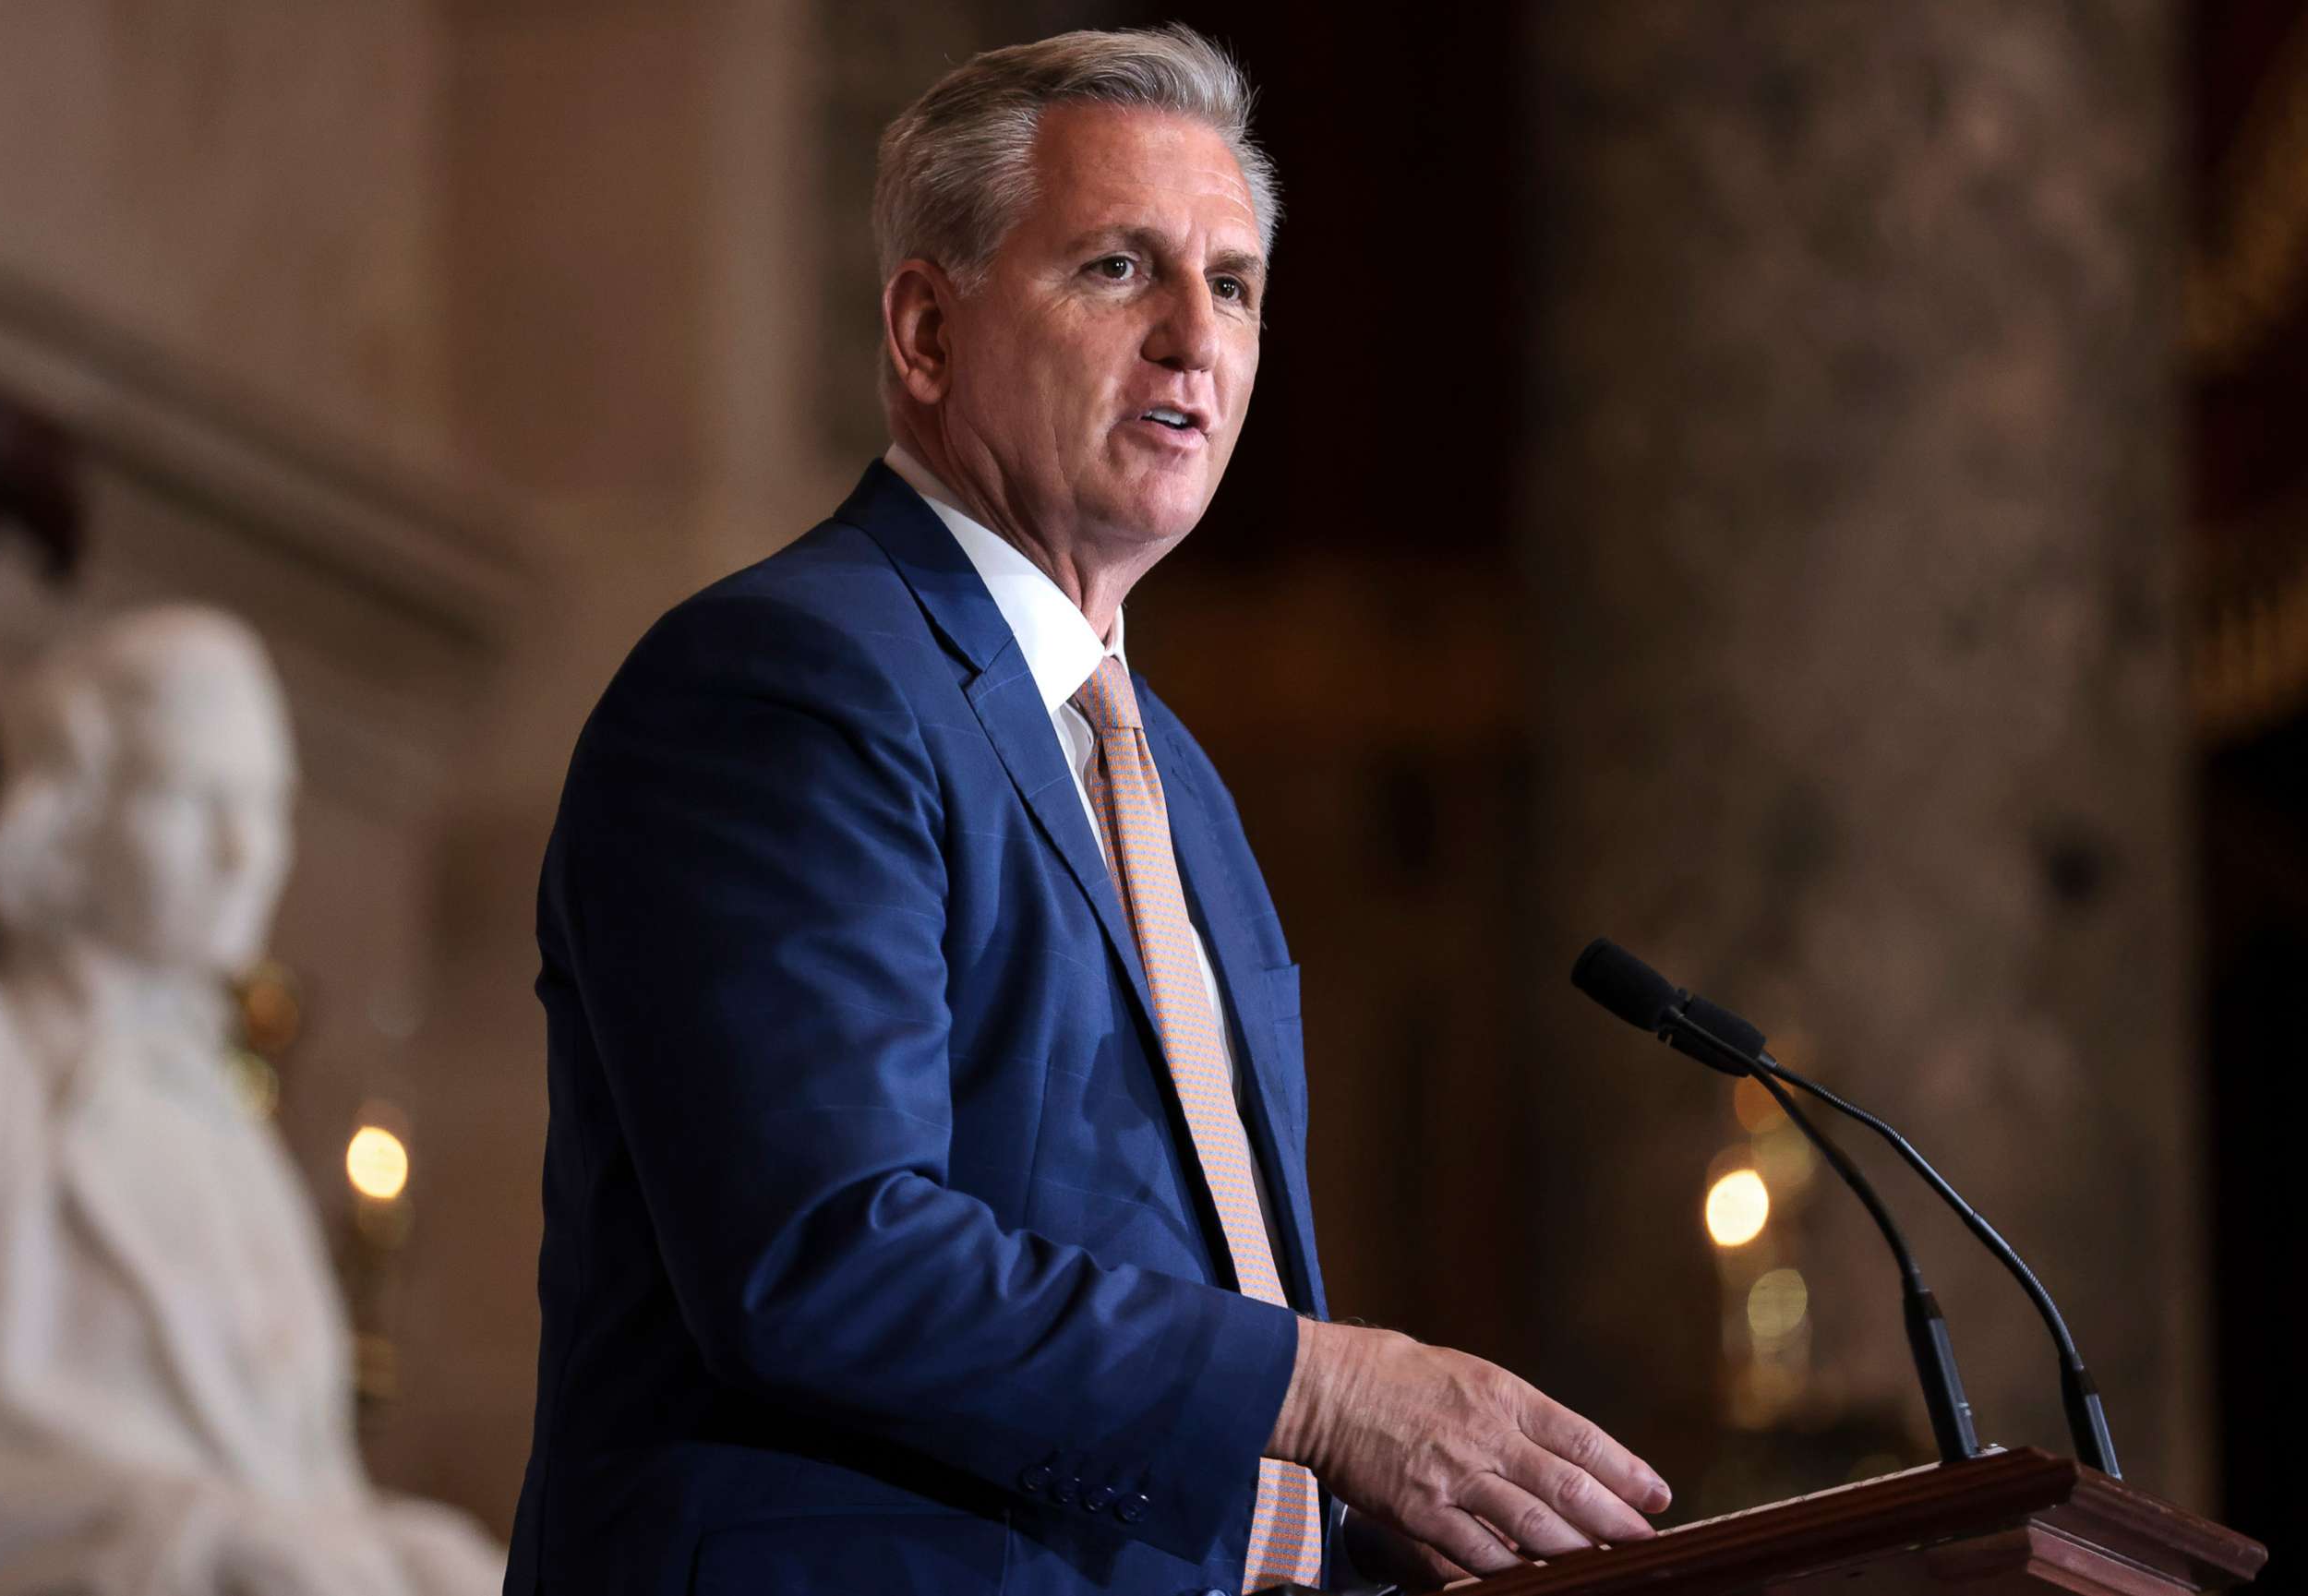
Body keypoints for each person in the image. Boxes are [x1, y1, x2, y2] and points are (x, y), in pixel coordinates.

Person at [508, 27, 1668, 1595]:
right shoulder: (783, 683)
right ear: (924, 329)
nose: (1196, 338)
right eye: (1120, 269)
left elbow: (1165, 1327)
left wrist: (1372, 1528)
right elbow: (823, 1249)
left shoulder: (1177, 784)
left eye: (1237, 284)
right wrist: (1328, 1391)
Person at [0, 606, 503, 1594]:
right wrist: (178, 1539)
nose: (246, 851)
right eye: (192, 798)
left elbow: (304, 1497)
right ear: (76, 810)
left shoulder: (231, 1131)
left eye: (268, 802)